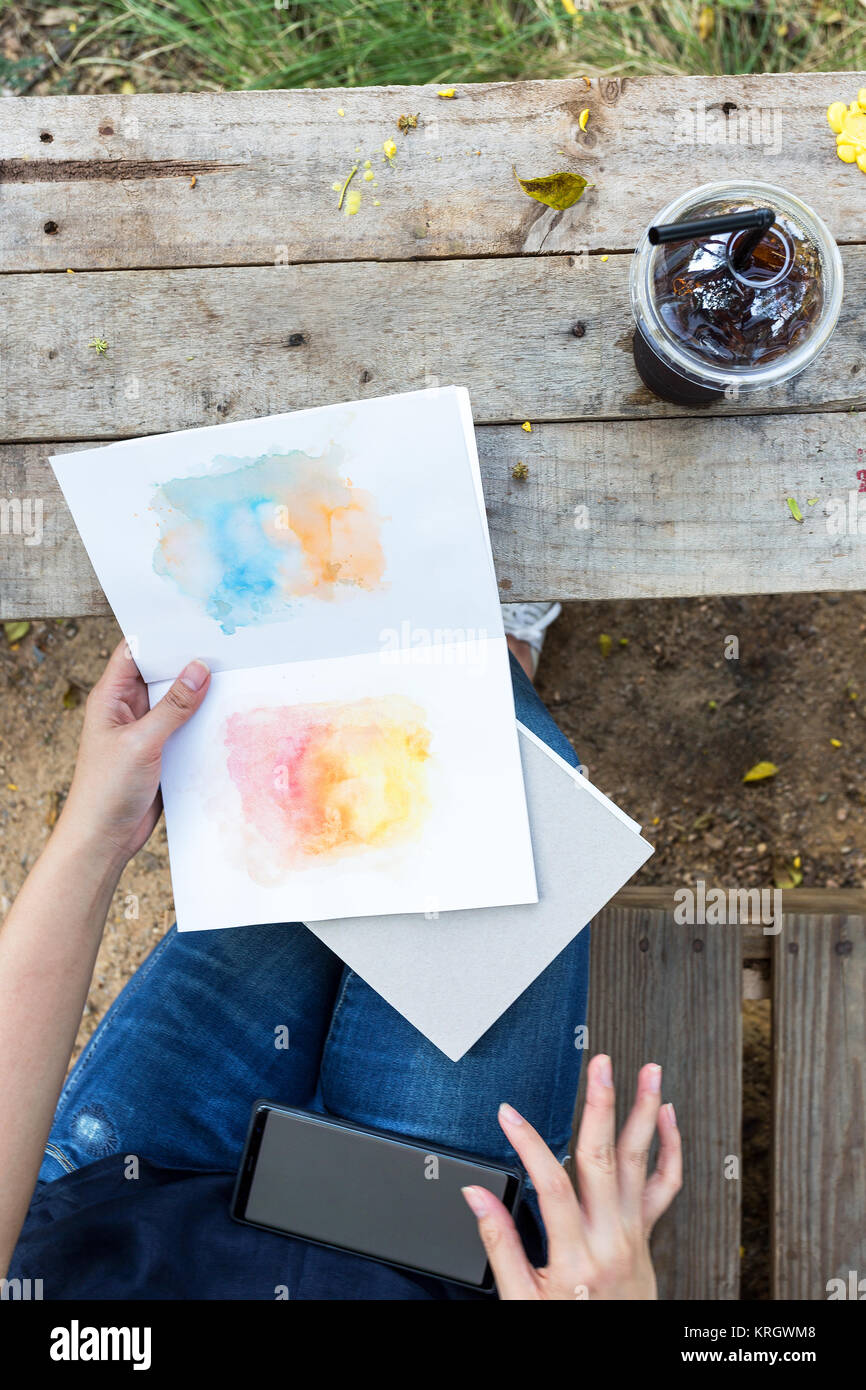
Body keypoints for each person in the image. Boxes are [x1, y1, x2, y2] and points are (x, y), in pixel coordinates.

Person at [0, 608, 681, 1300]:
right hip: (434, 1244)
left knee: (342, 723)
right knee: (506, 760)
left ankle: (481, 638)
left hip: (136, 1190)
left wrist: (96, 834)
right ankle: (497, 645)